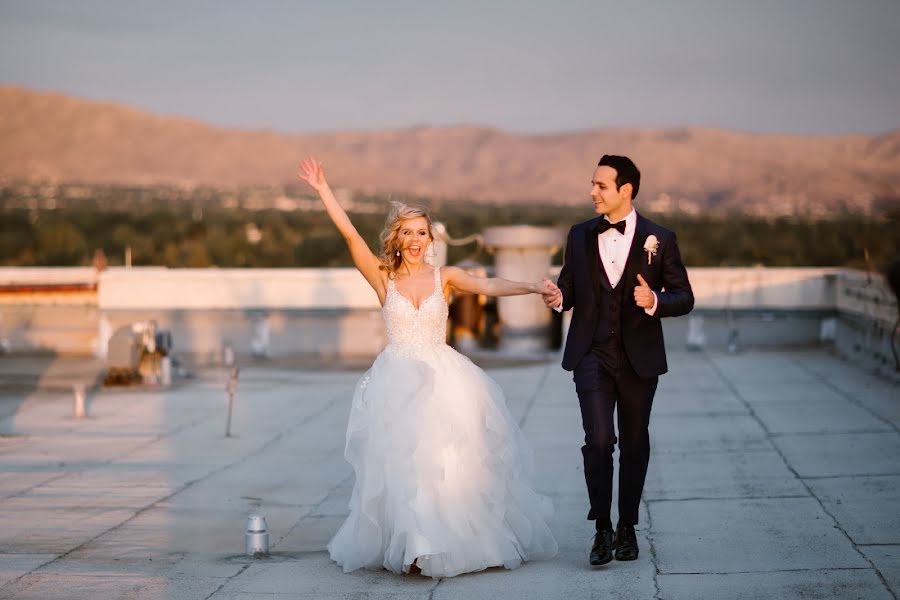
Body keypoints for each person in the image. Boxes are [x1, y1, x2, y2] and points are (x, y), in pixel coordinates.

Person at [297, 156, 558, 578]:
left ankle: (455, 541)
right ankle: (414, 546)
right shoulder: (383, 278)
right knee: (405, 467)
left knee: (448, 465)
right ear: (396, 239)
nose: (416, 240)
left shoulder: (446, 277)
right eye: (408, 233)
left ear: (429, 238)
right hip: (397, 381)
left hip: (446, 379)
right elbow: (349, 235)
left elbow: (489, 284)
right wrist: (323, 188)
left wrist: (533, 285)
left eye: (422, 232)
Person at [543, 155, 693, 566]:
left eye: (601, 186)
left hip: (638, 360)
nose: (592, 192)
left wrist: (655, 300)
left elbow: (685, 297)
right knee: (598, 441)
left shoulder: (659, 238)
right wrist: (558, 298)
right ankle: (601, 527)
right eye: (592, 184)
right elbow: (568, 289)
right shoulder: (578, 235)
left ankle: (627, 526)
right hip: (591, 354)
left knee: (634, 442)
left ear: (626, 190)